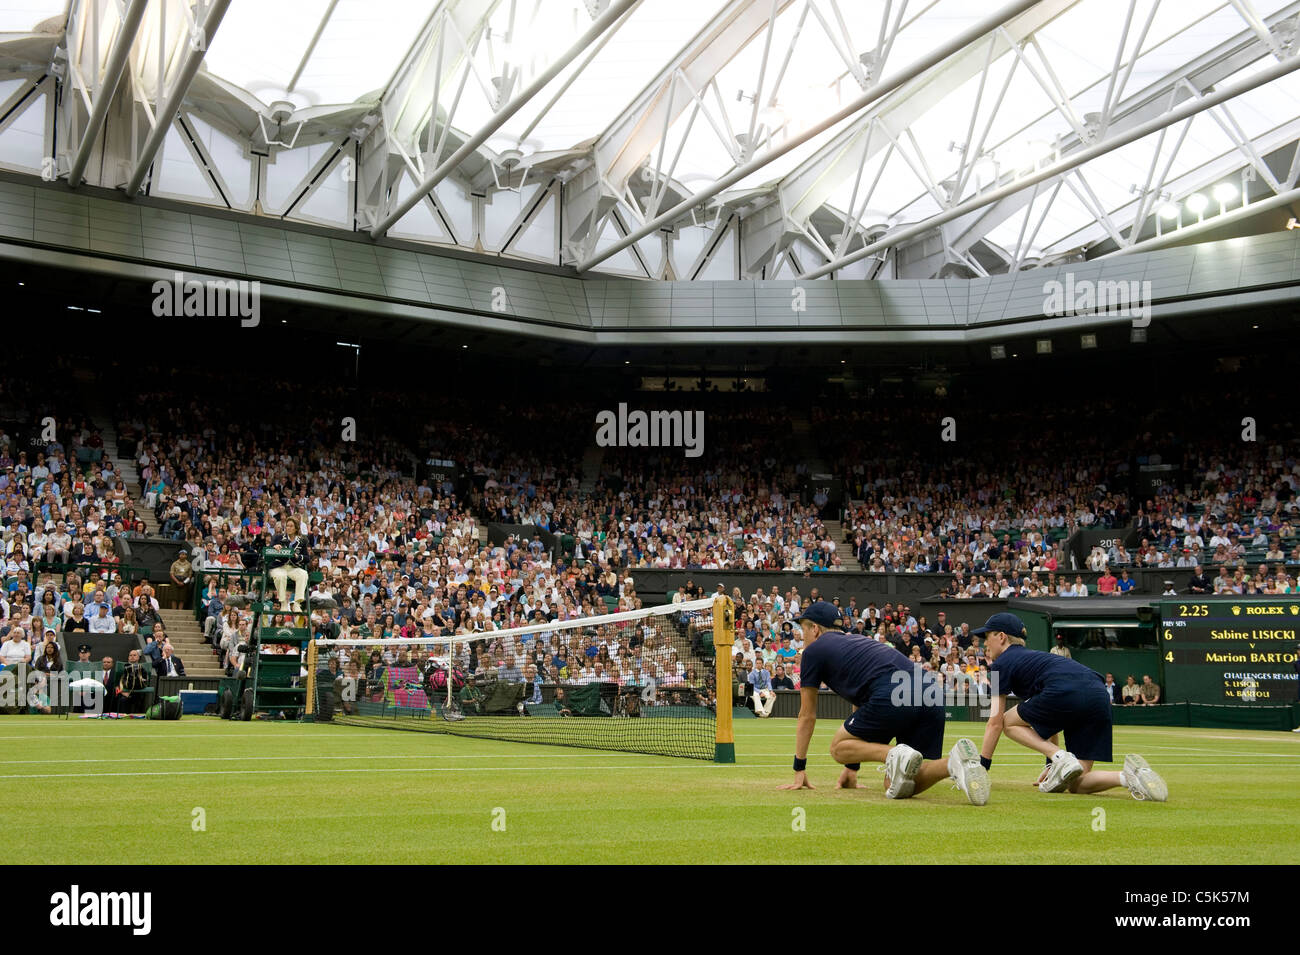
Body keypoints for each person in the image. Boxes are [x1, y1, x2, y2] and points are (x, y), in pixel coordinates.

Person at [778, 600, 987, 805]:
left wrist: (799, 768)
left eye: (803, 629)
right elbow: (859, 702)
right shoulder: (859, 642)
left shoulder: (813, 651)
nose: (801, 636)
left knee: (838, 748)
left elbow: (807, 715)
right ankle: (955, 763)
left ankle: (895, 754)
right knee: (895, 785)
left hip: (893, 692)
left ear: (814, 628)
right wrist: (852, 768)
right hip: (930, 690)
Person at [974, 612, 1166, 801]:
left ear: (1001, 637)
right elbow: (1048, 722)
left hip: (1065, 692)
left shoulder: (1000, 664)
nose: (984, 643)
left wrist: (982, 767)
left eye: (987, 636)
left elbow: (995, 722)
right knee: (1076, 783)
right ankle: (1130, 777)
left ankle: (1061, 757)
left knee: (1008, 721)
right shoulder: (1035, 660)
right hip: (1098, 695)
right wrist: (1051, 765)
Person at [269, 518, 311, 611]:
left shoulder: (302, 541)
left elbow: (307, 558)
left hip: (293, 567)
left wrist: (298, 557)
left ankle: (297, 603)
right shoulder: (278, 538)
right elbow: (269, 549)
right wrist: (274, 547)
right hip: (278, 566)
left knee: (303, 574)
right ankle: (283, 603)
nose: (288, 528)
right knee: (281, 576)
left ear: (296, 528)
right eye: (287, 526)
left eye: (291, 526)